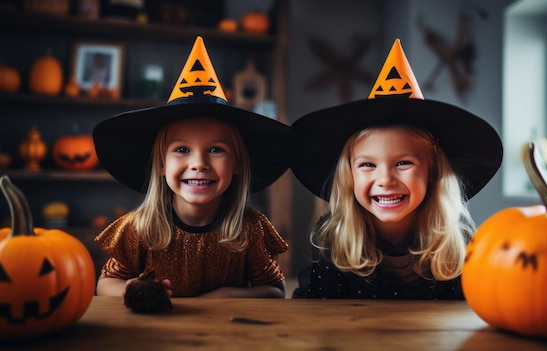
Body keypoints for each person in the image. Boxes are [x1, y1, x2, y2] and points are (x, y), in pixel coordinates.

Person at [291, 39, 503, 299]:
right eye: (368, 165)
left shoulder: (456, 238)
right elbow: (319, 313)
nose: (385, 179)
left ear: (432, 172)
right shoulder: (336, 236)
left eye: (403, 163)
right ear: (349, 176)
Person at [92, 36, 295, 298]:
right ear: (162, 165)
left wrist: (228, 296)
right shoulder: (140, 228)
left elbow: (275, 290)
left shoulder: (250, 230)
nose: (198, 164)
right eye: (182, 150)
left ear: (237, 164)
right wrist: (136, 289)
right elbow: (105, 283)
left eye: (215, 150)